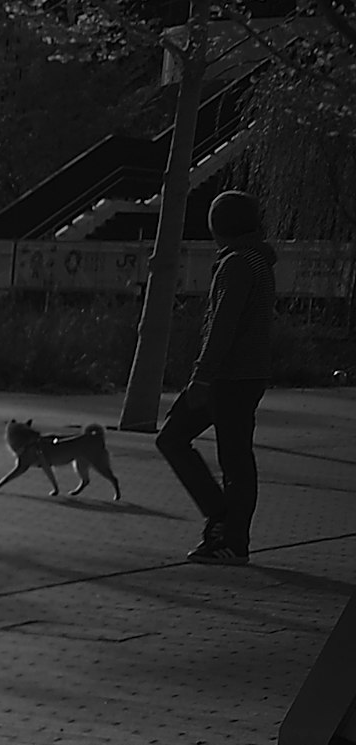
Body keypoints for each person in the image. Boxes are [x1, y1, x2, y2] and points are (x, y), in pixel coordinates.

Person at [161, 187, 276, 564]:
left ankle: (228, 532)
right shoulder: (258, 260)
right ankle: (227, 528)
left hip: (227, 376)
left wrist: (202, 376)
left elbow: (223, 326)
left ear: (219, 227)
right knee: (234, 456)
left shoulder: (237, 265)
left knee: (181, 441)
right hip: (248, 374)